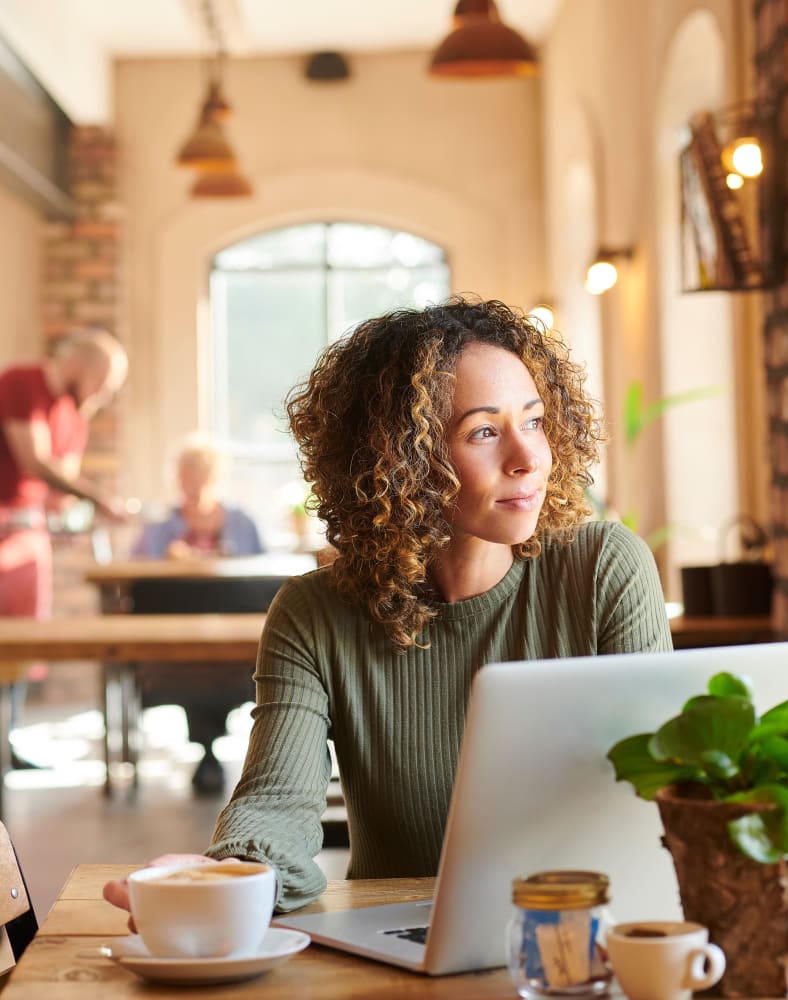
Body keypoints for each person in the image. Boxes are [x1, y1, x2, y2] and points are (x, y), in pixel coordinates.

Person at [104, 296, 671, 919]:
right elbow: (276, 801)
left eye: (534, 421)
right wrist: (229, 878)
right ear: (402, 459)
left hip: (588, 935)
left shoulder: (603, 568)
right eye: (483, 431)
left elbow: (663, 783)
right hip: (399, 950)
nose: (528, 456)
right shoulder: (315, 613)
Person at [0, 328, 130, 768]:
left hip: (29, 539)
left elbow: (60, 493)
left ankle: (8, 741)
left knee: (22, 646)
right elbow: (33, 460)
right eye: (103, 384)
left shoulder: (77, 417)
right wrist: (101, 499)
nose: (102, 397)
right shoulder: (22, 383)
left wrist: (80, 516)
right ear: (82, 365)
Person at [131, 436, 265, 795]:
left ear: (216, 475)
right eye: (185, 474)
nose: (193, 482)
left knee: (221, 665)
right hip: (176, 648)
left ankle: (207, 752)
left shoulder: (242, 523)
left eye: (201, 473)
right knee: (193, 665)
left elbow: (265, 581)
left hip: (233, 646)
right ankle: (207, 752)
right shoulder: (159, 528)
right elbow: (134, 583)